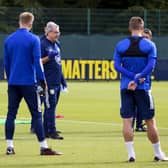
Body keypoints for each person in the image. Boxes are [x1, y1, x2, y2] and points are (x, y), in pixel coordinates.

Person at [4, 12, 62, 155]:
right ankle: (43, 147)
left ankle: (10, 147)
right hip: (29, 82)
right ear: (31, 23)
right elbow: (37, 62)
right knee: (36, 114)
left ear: (19, 22)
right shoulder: (33, 39)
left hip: (13, 83)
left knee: (11, 114)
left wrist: (11, 78)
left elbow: (6, 63)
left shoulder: (9, 39)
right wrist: (42, 81)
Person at [113, 16, 168, 162]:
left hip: (125, 87)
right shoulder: (149, 45)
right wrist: (138, 78)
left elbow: (117, 66)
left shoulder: (120, 45)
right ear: (142, 28)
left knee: (127, 121)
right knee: (150, 121)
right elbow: (150, 66)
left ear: (130, 28)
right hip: (143, 88)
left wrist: (131, 77)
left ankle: (131, 155)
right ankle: (158, 153)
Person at [31, 21, 67, 140]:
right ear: (48, 32)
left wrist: (63, 80)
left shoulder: (57, 44)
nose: (58, 34)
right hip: (47, 81)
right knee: (49, 106)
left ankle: (46, 129)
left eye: (58, 32)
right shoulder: (42, 44)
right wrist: (48, 57)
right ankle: (51, 131)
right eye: (55, 32)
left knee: (52, 106)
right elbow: (38, 61)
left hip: (56, 80)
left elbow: (58, 63)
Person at [133, 28, 153, 132]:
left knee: (142, 103)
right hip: (138, 80)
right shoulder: (139, 48)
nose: (144, 39)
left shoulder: (150, 48)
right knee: (137, 103)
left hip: (146, 81)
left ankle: (139, 124)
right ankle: (138, 125)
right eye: (143, 37)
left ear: (150, 38)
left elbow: (151, 66)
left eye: (146, 37)